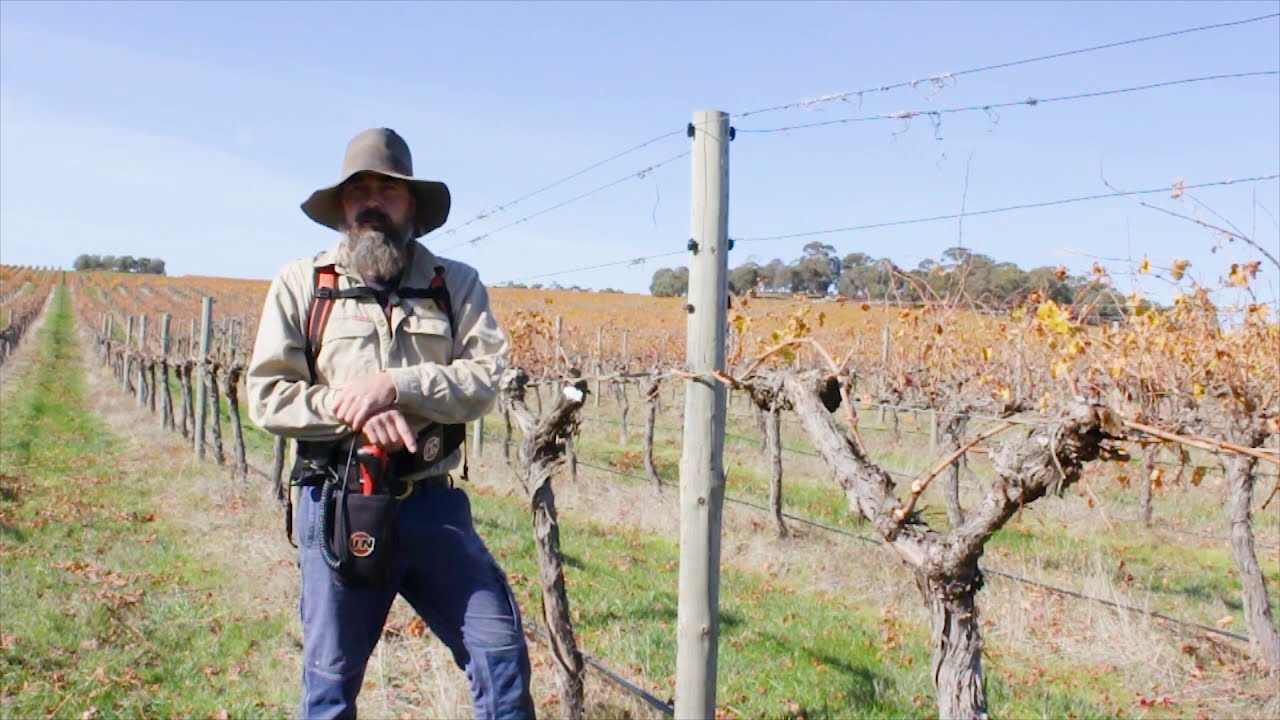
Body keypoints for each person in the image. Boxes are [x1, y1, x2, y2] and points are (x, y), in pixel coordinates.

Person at [246, 127, 535, 720]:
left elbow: (487, 377)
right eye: (358, 190)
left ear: (413, 205)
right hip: (336, 503)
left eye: (387, 188)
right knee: (330, 685)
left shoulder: (455, 284)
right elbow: (268, 396)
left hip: (432, 505)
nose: (371, 201)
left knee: (499, 652)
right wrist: (357, 412)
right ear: (343, 206)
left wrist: (396, 387)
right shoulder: (304, 284)